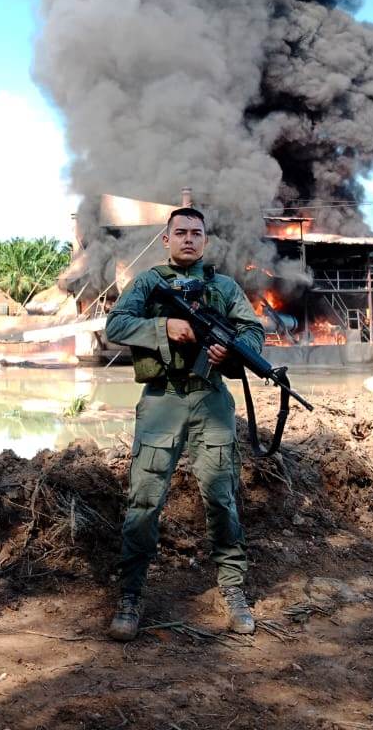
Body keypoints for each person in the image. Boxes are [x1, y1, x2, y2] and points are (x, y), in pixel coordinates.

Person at [103, 206, 264, 641]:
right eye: (181, 232)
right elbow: (114, 324)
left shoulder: (225, 287)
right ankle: (131, 596)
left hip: (210, 399)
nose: (189, 239)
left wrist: (230, 352)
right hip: (162, 400)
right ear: (166, 240)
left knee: (222, 498)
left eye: (196, 233)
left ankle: (232, 591)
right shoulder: (149, 283)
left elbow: (252, 331)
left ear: (205, 241)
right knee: (144, 501)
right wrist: (164, 326)